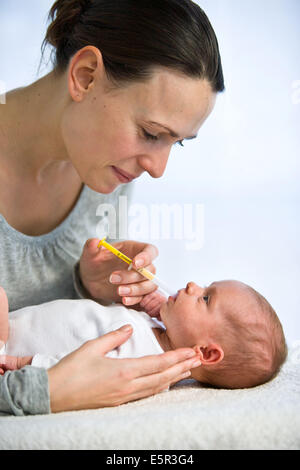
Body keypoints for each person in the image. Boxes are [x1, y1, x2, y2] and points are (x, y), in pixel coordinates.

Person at [0, 0, 225, 415]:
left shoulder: (106, 175)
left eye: (177, 142)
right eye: (150, 133)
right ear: (85, 77)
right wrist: (42, 393)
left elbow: (62, 328)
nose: (157, 169)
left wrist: (92, 287)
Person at [0, 280, 287, 390]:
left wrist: (27, 363)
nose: (192, 285)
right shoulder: (156, 333)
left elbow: (82, 370)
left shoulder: (146, 361)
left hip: (9, 350)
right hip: (15, 328)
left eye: (206, 299)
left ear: (206, 353)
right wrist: (150, 309)